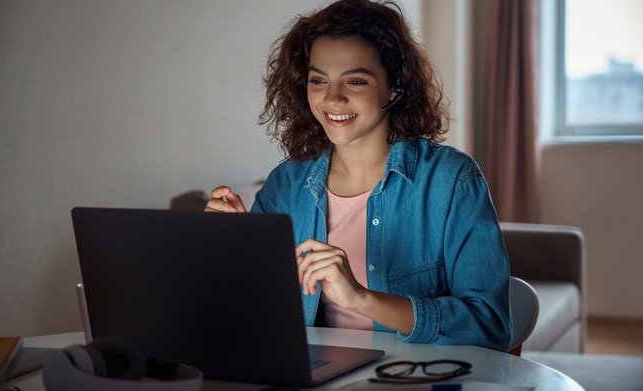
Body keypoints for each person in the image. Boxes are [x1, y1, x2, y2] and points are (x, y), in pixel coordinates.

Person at [204, 0, 512, 352]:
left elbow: (489, 326)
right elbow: (250, 314)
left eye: (355, 80)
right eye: (318, 79)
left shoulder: (452, 180)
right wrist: (228, 249)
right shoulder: (284, 185)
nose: (332, 98)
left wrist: (361, 298)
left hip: (415, 378)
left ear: (394, 87)